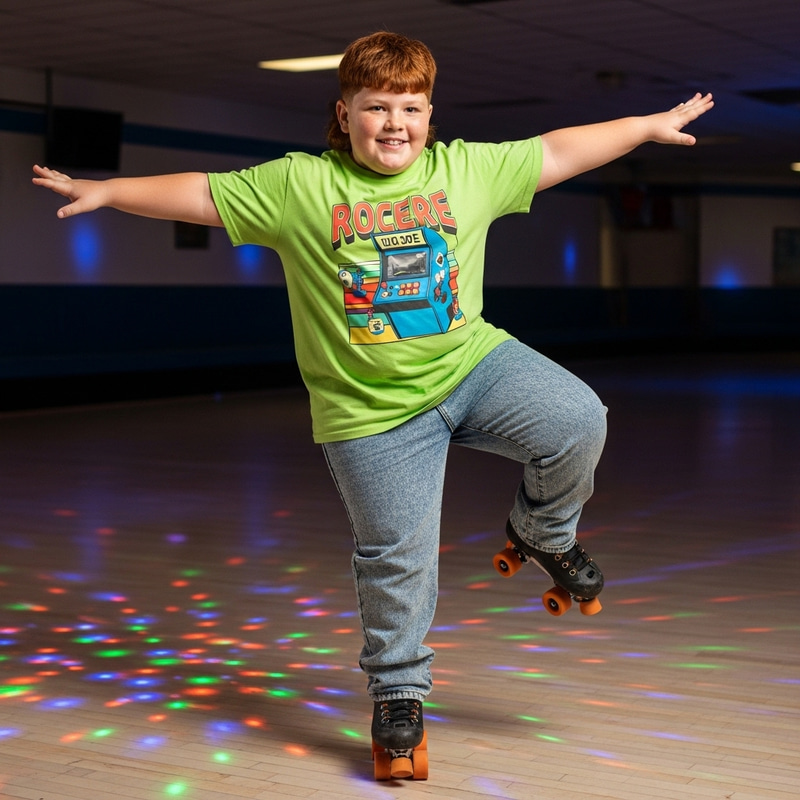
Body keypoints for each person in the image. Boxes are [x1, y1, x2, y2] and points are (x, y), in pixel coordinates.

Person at [33, 30, 713, 775]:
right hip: (369, 412)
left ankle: (545, 530)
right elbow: (201, 191)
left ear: (430, 113)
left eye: (412, 108)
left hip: (471, 366)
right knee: (397, 556)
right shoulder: (302, 187)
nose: (396, 123)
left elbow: (556, 152)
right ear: (344, 112)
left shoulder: (467, 170)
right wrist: (107, 191)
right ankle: (398, 696)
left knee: (578, 418)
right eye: (377, 107)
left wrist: (644, 127)